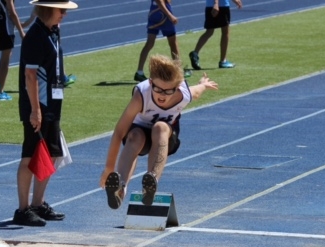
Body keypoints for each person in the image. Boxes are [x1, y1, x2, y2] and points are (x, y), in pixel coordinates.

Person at [100, 54, 218, 209]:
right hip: (139, 134)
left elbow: (197, 91)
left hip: (166, 137)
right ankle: (119, 187)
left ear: (177, 87)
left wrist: (203, 84)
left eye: (168, 91)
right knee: (135, 136)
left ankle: (151, 182)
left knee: (160, 127)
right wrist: (109, 168)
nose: (162, 95)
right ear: (150, 82)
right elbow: (119, 132)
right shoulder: (141, 94)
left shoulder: (184, 94)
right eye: (157, 89)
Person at [13, 0, 77, 227]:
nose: (64, 15)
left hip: (52, 103)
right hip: (37, 105)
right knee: (29, 155)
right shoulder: (35, 37)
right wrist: (35, 110)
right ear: (49, 10)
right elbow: (30, 76)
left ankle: (38, 203)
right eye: (61, 11)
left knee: (51, 153)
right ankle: (22, 209)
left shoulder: (53, 32)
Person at [134, 0, 187, 83]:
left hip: (154, 14)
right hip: (163, 16)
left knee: (149, 44)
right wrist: (170, 15)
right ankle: (178, 71)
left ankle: (139, 72)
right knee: (173, 43)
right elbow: (160, 2)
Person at [0, 0, 26, 101]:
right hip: (6, 28)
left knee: (3, 57)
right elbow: (12, 12)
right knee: (6, 60)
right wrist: (21, 32)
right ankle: (0, 92)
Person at [188, 0, 242, 70]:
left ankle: (195, 53)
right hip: (221, 6)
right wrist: (216, 3)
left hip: (210, 5)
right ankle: (223, 61)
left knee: (209, 32)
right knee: (225, 32)